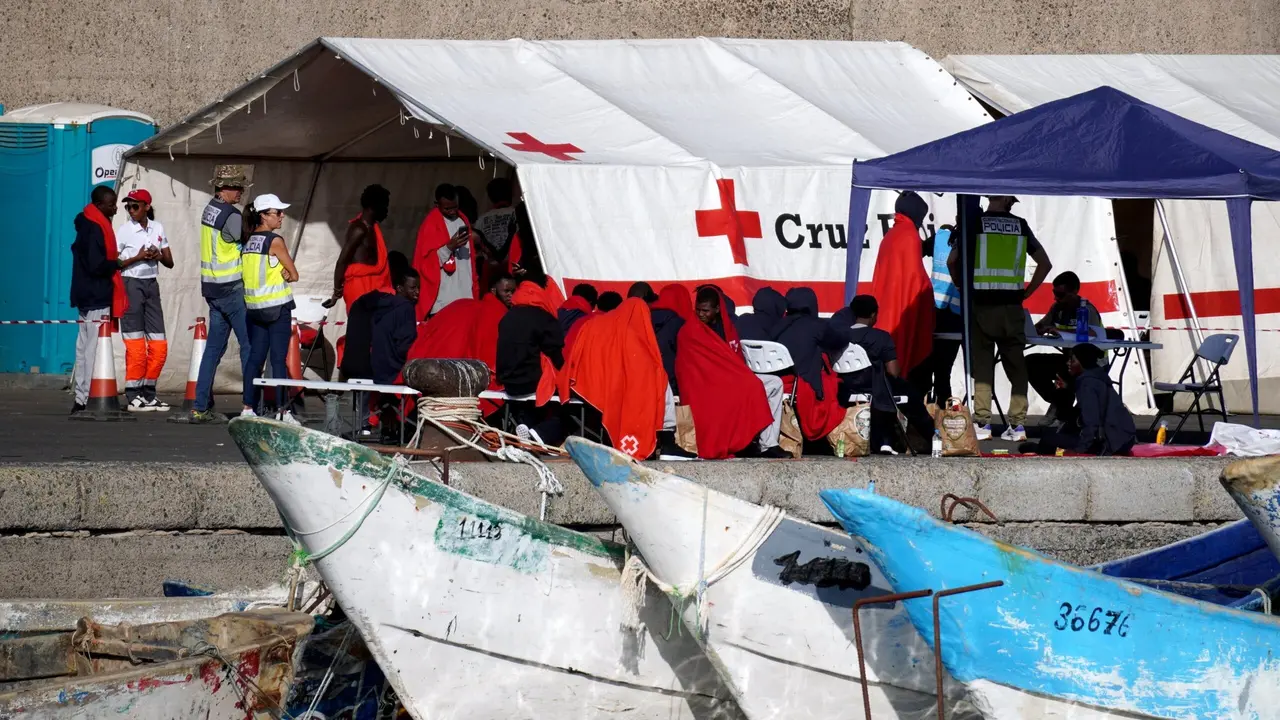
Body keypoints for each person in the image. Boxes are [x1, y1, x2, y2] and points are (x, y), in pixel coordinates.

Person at [949, 195, 1053, 442]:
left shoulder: (974, 223)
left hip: (981, 307)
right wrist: (1027, 292)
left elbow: (952, 260)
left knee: (983, 367)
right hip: (1012, 308)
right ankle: (1017, 426)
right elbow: (1045, 264)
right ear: (1008, 200)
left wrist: (961, 285)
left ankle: (983, 424)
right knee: (1017, 368)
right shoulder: (1021, 225)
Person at [661, 286, 783, 458]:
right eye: (698, 310)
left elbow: (731, 361)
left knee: (774, 383)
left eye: (706, 311)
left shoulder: (726, 328)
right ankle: (761, 443)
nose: (701, 314)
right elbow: (691, 370)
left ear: (717, 309)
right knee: (754, 387)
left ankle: (768, 444)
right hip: (706, 388)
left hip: (729, 379)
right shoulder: (690, 332)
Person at [549, 297, 674, 460]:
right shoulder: (631, 336)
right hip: (612, 390)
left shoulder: (595, 324)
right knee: (658, 383)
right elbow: (642, 372)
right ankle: (668, 441)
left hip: (585, 385)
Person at [186, 164, 250, 423]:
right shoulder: (231, 215)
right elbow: (244, 241)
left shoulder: (210, 209)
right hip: (231, 287)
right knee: (249, 346)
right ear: (223, 188)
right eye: (237, 187)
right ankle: (250, 406)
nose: (240, 192)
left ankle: (200, 407)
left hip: (212, 288)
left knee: (213, 349)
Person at [838, 295, 936, 453]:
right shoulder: (881, 337)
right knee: (910, 394)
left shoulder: (839, 336)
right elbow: (893, 371)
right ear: (873, 315)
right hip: (878, 391)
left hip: (846, 389)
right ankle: (934, 438)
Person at [408, 272, 515, 416]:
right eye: (506, 291)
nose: (510, 295)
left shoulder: (464, 305)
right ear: (493, 290)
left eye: (513, 291)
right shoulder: (497, 314)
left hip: (437, 371)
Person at [239, 194, 300, 424]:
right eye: (278, 212)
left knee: (255, 359)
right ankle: (283, 411)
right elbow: (294, 274)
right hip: (277, 308)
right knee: (277, 360)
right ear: (264, 216)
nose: (282, 216)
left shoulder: (247, 241)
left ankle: (248, 407)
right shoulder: (275, 241)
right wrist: (286, 274)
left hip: (255, 308)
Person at [69, 185, 127, 415]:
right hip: (96, 294)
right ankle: (87, 397)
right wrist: (116, 263)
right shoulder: (96, 228)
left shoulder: (86, 223)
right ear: (99, 204)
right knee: (94, 348)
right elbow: (96, 264)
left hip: (84, 293)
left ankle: (81, 397)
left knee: (83, 347)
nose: (115, 209)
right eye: (111, 204)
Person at [116, 189, 173, 411]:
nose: (131, 210)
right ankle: (133, 394)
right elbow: (115, 262)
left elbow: (169, 262)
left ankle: (149, 393)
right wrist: (138, 257)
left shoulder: (157, 227)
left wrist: (157, 255)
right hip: (131, 284)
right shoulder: (124, 230)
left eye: (135, 206)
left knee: (159, 344)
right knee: (136, 344)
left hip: (151, 285)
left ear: (146, 207)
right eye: (128, 206)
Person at [870, 191, 935, 384]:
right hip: (902, 312)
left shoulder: (892, 234)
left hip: (886, 310)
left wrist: (923, 248)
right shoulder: (910, 235)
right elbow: (916, 280)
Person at [1027, 343, 1136, 456]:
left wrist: (1079, 450)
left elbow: (1091, 421)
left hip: (1111, 443)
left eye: (1072, 360)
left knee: (1048, 438)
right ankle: (1041, 449)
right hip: (1124, 439)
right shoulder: (1098, 376)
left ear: (1083, 362)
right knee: (1069, 422)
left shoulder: (1086, 385)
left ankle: (1041, 453)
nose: (1068, 363)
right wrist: (1066, 389)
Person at [1027, 271, 1105, 425]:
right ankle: (1059, 402)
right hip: (1069, 359)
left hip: (1092, 362)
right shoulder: (1057, 308)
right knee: (1029, 363)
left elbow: (1092, 333)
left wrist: (1059, 331)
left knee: (1067, 371)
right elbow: (1042, 325)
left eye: (1060, 294)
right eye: (1054, 293)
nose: (1056, 298)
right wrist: (1036, 328)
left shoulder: (1086, 310)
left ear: (1074, 291)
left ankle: (1060, 406)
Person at [496, 275, 566, 444]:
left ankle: (526, 426)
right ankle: (542, 433)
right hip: (532, 383)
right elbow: (555, 352)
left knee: (529, 403)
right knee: (566, 408)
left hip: (509, 383)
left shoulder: (507, 316)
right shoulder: (543, 317)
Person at [773, 287, 849, 443]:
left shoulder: (778, 326)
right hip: (802, 383)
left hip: (778, 381)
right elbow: (839, 340)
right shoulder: (816, 325)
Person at [914, 223, 964, 404]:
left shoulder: (940, 238)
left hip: (935, 309)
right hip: (955, 313)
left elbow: (916, 252)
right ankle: (943, 410)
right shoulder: (972, 240)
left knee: (927, 363)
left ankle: (923, 408)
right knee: (943, 368)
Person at [414, 183, 478, 319]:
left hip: (465, 293)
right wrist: (449, 247)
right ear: (437, 204)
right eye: (447, 208)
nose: (452, 211)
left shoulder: (463, 221)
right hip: (444, 299)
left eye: (455, 207)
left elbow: (470, 262)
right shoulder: (430, 224)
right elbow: (425, 263)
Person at [331, 184, 393, 313]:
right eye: (385, 206)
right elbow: (342, 261)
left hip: (374, 289)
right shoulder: (359, 229)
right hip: (360, 289)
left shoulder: (372, 228)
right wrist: (337, 291)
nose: (387, 211)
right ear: (374, 206)